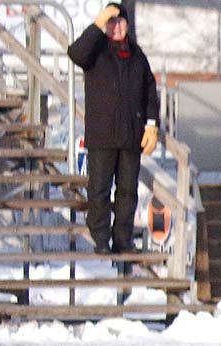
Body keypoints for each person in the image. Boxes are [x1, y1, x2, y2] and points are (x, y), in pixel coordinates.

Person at [68, 3, 158, 262]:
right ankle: (100, 238)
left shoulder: (137, 55)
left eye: (120, 22)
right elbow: (76, 53)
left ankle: (123, 238)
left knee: (128, 191)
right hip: (102, 136)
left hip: (131, 137)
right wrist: (97, 24)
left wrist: (151, 124)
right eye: (111, 22)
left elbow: (149, 91)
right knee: (99, 190)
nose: (116, 27)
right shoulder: (95, 50)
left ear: (128, 25)